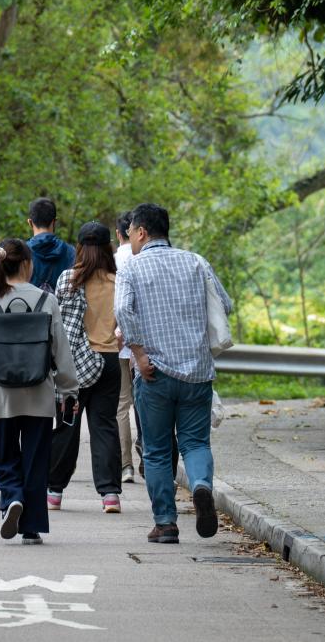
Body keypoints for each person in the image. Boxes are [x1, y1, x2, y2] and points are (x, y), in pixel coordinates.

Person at [114, 203, 233, 544]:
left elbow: (122, 309)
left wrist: (137, 352)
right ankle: (200, 486)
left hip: (155, 373)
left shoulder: (132, 269)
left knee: (156, 450)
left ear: (141, 232)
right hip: (197, 373)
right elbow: (224, 305)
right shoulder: (196, 262)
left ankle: (165, 523)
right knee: (195, 443)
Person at [0, 239, 79, 545]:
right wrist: (69, 388)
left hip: (0, 394)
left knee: (4, 457)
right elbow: (61, 350)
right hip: (39, 393)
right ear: (28, 264)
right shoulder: (47, 300)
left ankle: (12, 497)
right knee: (35, 461)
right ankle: (31, 527)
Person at [47, 222, 124, 513]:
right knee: (104, 426)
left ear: (79, 247)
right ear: (108, 248)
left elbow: (59, 327)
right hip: (108, 361)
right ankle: (110, 495)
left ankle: (54, 492)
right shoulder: (118, 281)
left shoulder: (68, 279)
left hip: (73, 364)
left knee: (67, 424)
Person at [113, 211, 138, 483]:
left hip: (119, 343)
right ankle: (150, 454)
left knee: (122, 405)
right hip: (146, 343)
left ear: (118, 233)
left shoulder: (114, 261)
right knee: (144, 403)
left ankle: (126, 464)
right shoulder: (144, 258)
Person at [26, 197, 75, 295]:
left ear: (30, 222)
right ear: (54, 221)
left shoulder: (21, 252)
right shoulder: (71, 252)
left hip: (27, 309)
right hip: (61, 310)